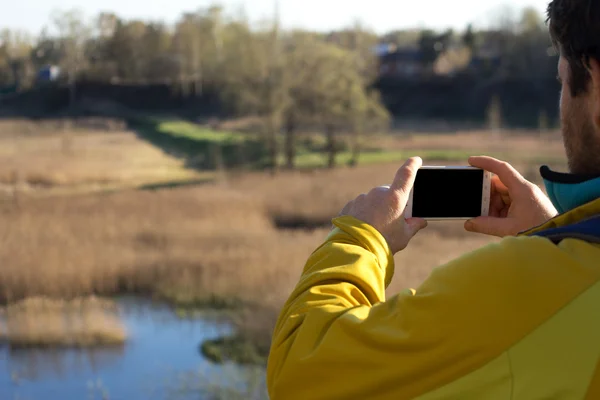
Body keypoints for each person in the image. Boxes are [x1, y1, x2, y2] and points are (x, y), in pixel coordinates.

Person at [266, 0, 600, 399]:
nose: (563, 99)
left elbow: (302, 375)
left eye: (562, 82)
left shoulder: (527, 287)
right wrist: (559, 236)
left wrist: (360, 239)